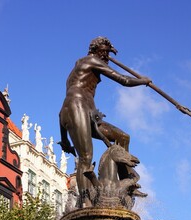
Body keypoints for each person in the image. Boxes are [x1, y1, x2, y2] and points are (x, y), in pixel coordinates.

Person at [59, 36, 151, 207]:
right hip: (77, 107)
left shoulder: (84, 66)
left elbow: (61, 113)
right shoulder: (91, 60)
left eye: (108, 53)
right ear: (97, 51)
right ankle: (85, 200)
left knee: (122, 137)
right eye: (105, 52)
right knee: (86, 157)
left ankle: (128, 182)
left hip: (89, 113)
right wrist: (143, 81)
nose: (107, 57)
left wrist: (64, 138)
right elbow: (123, 80)